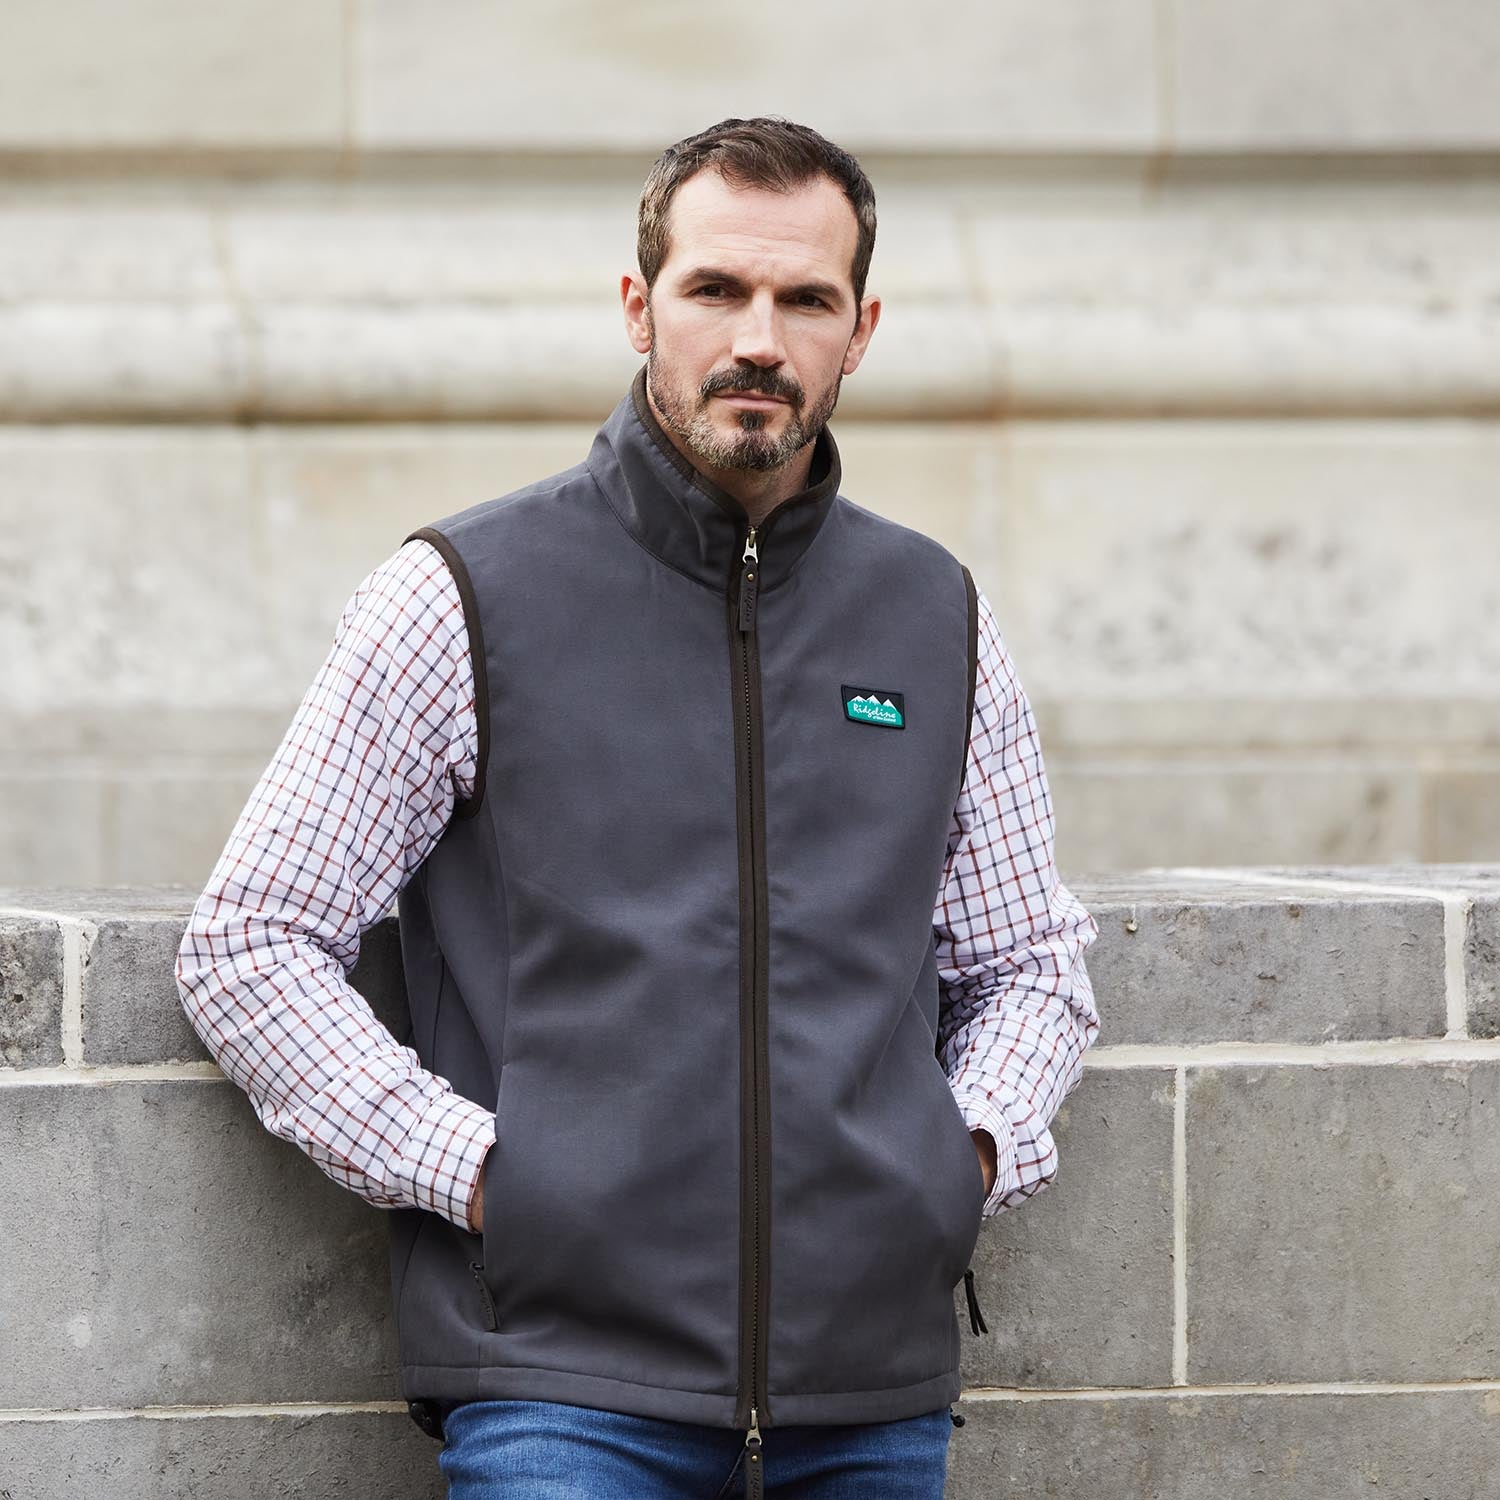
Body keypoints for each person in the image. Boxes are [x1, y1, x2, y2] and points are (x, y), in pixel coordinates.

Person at [175, 115, 1100, 1499]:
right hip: (566, 1393)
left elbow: (1030, 964)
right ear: (638, 305)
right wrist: (498, 1179)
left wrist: (953, 1162)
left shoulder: (935, 619)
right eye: (714, 290)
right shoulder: (464, 596)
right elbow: (249, 943)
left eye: (806, 301)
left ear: (862, 331)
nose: (759, 341)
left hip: (870, 1397)